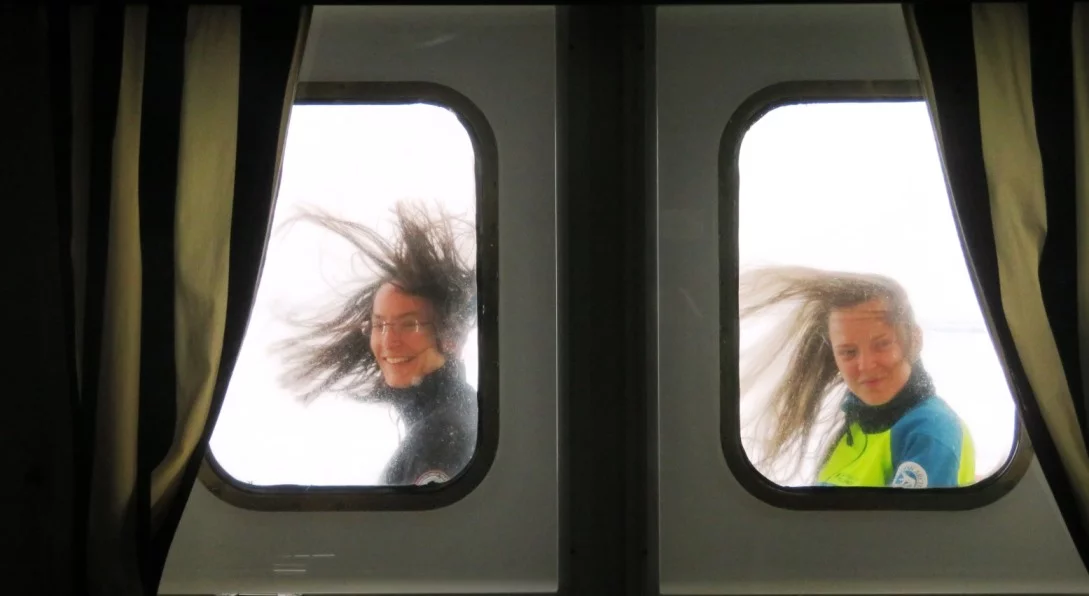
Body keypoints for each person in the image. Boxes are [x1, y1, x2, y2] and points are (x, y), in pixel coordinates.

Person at [275, 201, 478, 486]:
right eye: (380, 325)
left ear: (450, 337)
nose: (388, 342)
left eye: (410, 324)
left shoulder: (442, 438)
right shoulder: (451, 413)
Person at [738, 265, 975, 488]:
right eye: (848, 352)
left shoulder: (930, 432)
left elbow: (908, 531)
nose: (866, 365)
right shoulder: (857, 425)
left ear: (914, 340)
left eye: (882, 344)